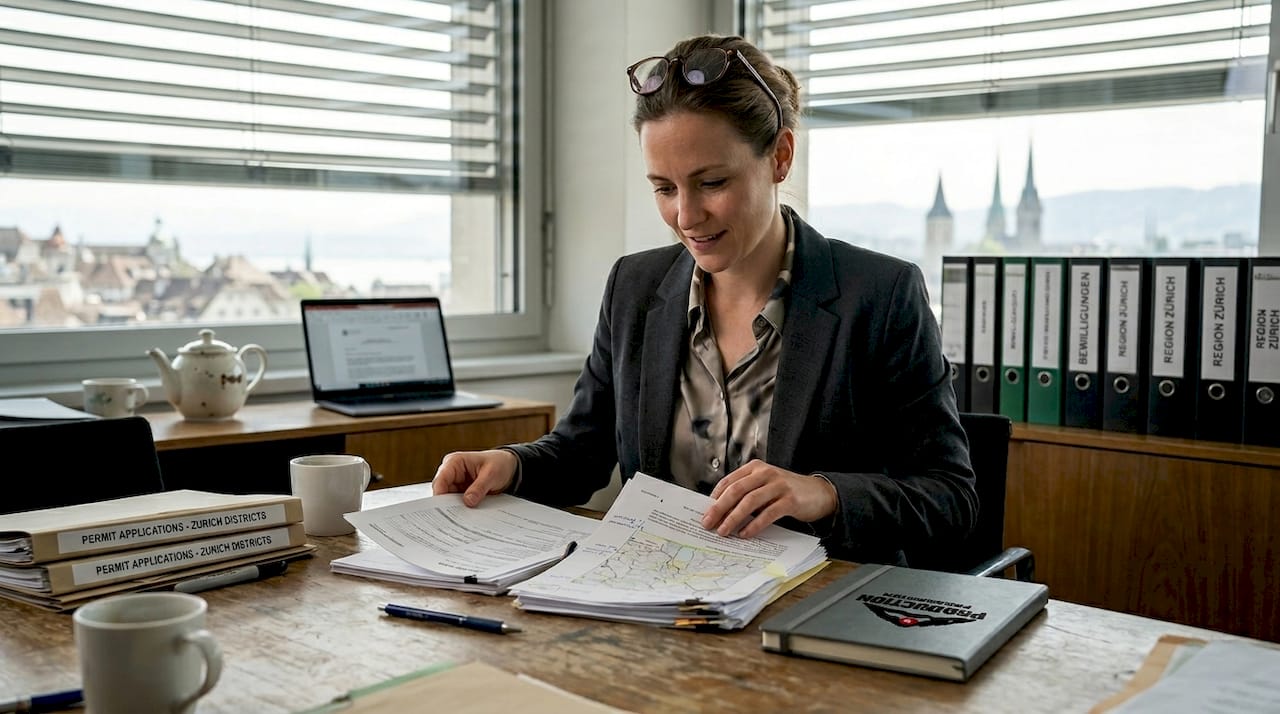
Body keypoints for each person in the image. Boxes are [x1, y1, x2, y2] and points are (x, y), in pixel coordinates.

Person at [433, 33, 977, 566]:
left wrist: (822, 493)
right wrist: (510, 464)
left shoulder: (880, 295)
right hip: (657, 591)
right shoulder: (633, 286)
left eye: (712, 182)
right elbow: (582, 450)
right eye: (664, 188)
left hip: (816, 602)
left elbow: (950, 498)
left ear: (780, 156)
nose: (686, 217)